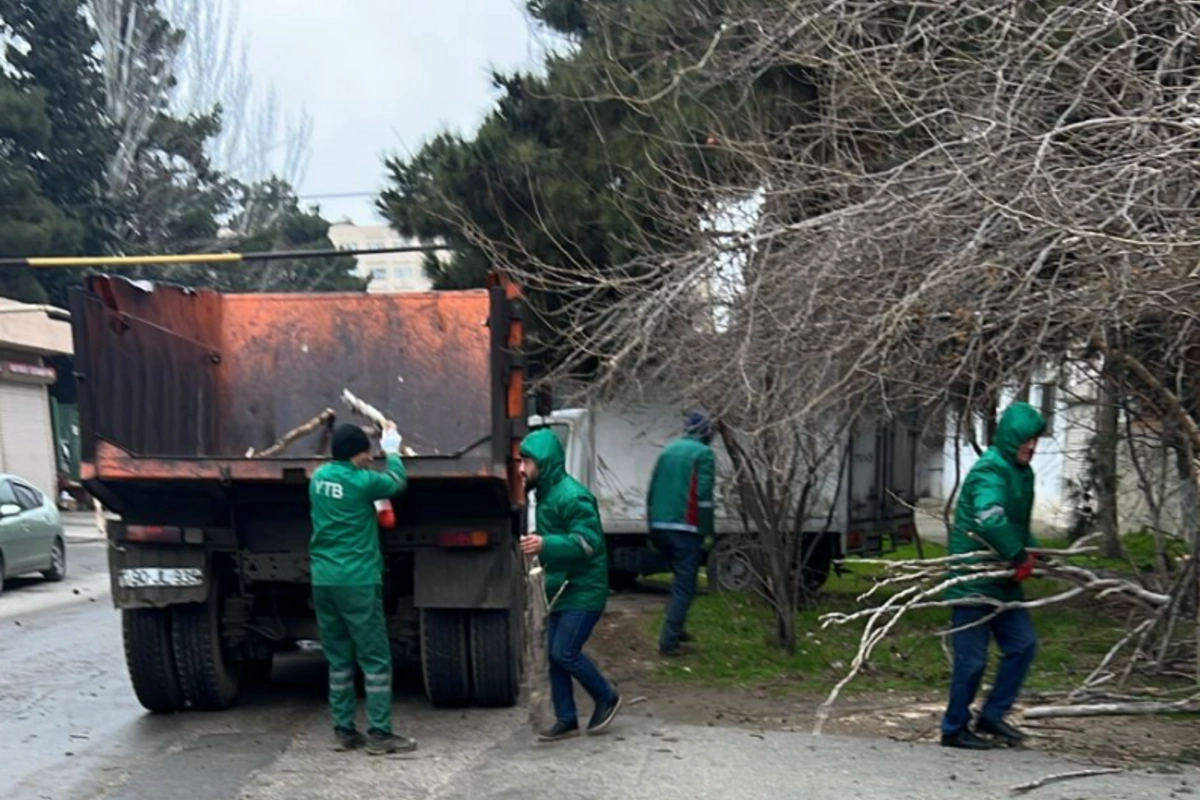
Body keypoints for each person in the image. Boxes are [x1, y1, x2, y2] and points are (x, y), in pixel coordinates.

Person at [941, 401, 1046, 750]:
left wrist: (1032, 550)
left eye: (1036, 440)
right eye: (1027, 439)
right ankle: (954, 729)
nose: (1032, 447)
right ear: (1012, 437)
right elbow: (991, 519)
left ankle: (992, 715)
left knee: (1023, 644)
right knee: (972, 661)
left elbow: (1016, 524)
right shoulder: (991, 470)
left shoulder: (1022, 472)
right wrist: (1018, 556)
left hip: (1002, 578)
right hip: (973, 579)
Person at [309, 422, 416, 755]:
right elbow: (397, 482)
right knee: (375, 659)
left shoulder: (319, 480)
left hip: (324, 580)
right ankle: (380, 735)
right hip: (357, 579)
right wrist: (393, 451)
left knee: (339, 658)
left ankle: (344, 730)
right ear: (357, 453)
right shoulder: (362, 482)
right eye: (366, 451)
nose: (370, 456)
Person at [518, 428, 622, 742]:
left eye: (526, 461)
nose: (521, 468)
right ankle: (566, 719)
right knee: (554, 653)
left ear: (544, 462)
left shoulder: (572, 495)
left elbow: (589, 542)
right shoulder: (548, 495)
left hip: (584, 588)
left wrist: (545, 543)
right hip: (562, 589)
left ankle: (607, 696)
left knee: (564, 651)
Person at [647, 410, 716, 656]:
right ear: (706, 431)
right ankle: (669, 640)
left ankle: (678, 628)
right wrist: (707, 531)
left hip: (660, 525)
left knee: (678, 581)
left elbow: (652, 490)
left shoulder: (667, 452)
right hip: (686, 527)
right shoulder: (704, 454)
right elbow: (704, 496)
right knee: (686, 585)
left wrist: (651, 527)